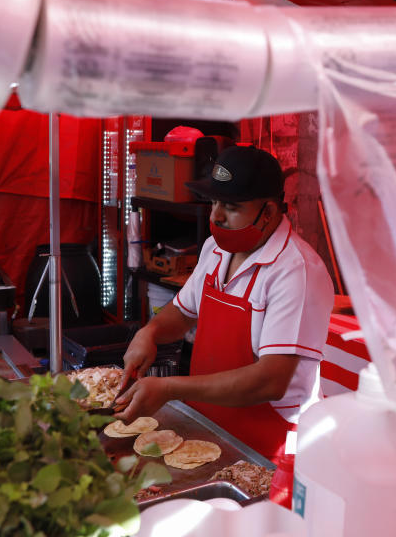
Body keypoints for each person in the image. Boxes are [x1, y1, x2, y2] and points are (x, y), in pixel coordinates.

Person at [114, 145, 334, 462]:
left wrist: (169, 389)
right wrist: (149, 333)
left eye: (230, 207)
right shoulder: (214, 250)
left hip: (272, 444)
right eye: (214, 202)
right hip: (211, 425)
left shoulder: (296, 272)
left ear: (269, 212)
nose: (215, 215)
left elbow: (270, 381)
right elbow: (183, 312)